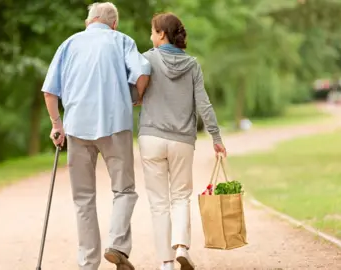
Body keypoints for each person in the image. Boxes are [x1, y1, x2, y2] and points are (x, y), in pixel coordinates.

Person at [41, 2, 150, 270]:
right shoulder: (122, 40)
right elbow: (143, 72)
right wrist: (135, 97)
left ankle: (88, 263)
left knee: (83, 199)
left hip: (77, 127)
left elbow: (49, 92)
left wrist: (57, 124)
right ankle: (117, 244)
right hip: (115, 125)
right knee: (124, 190)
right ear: (113, 23)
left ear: (89, 21)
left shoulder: (69, 44)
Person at [137, 12, 226, 270]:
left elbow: (134, 93)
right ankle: (182, 247)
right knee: (180, 197)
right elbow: (204, 105)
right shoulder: (193, 65)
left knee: (158, 202)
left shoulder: (147, 59)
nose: (150, 36)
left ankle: (166, 263)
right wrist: (216, 137)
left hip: (151, 137)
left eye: (153, 31)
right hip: (182, 141)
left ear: (162, 34)